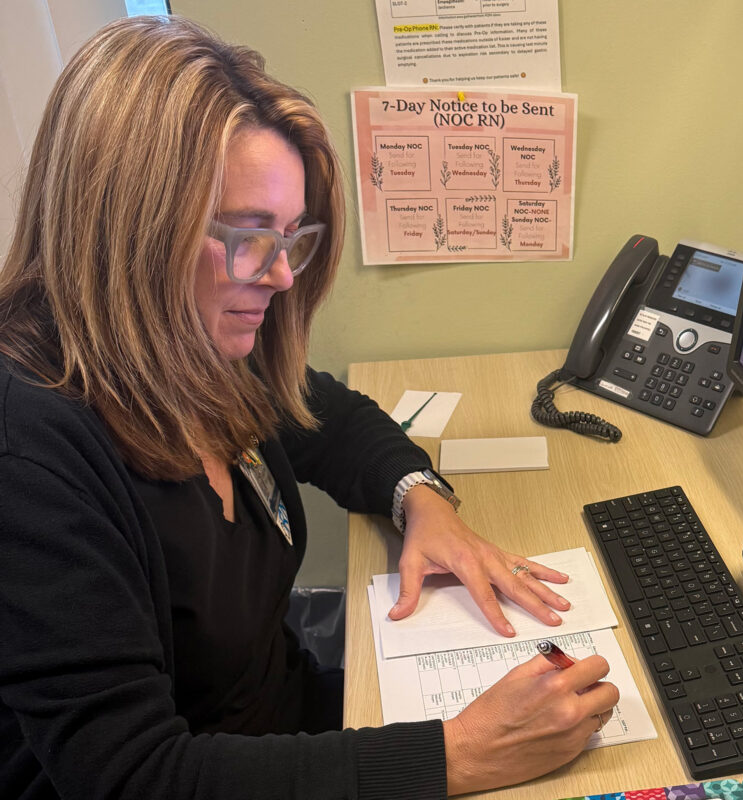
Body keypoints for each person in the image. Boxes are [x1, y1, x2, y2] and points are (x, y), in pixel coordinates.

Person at [0, 15, 617, 799]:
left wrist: (422, 501)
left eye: (291, 236)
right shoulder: (31, 453)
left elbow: (335, 422)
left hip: (280, 731)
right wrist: (457, 756)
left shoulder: (202, 346)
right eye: (250, 235)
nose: (282, 277)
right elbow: (130, 776)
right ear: (130, 229)